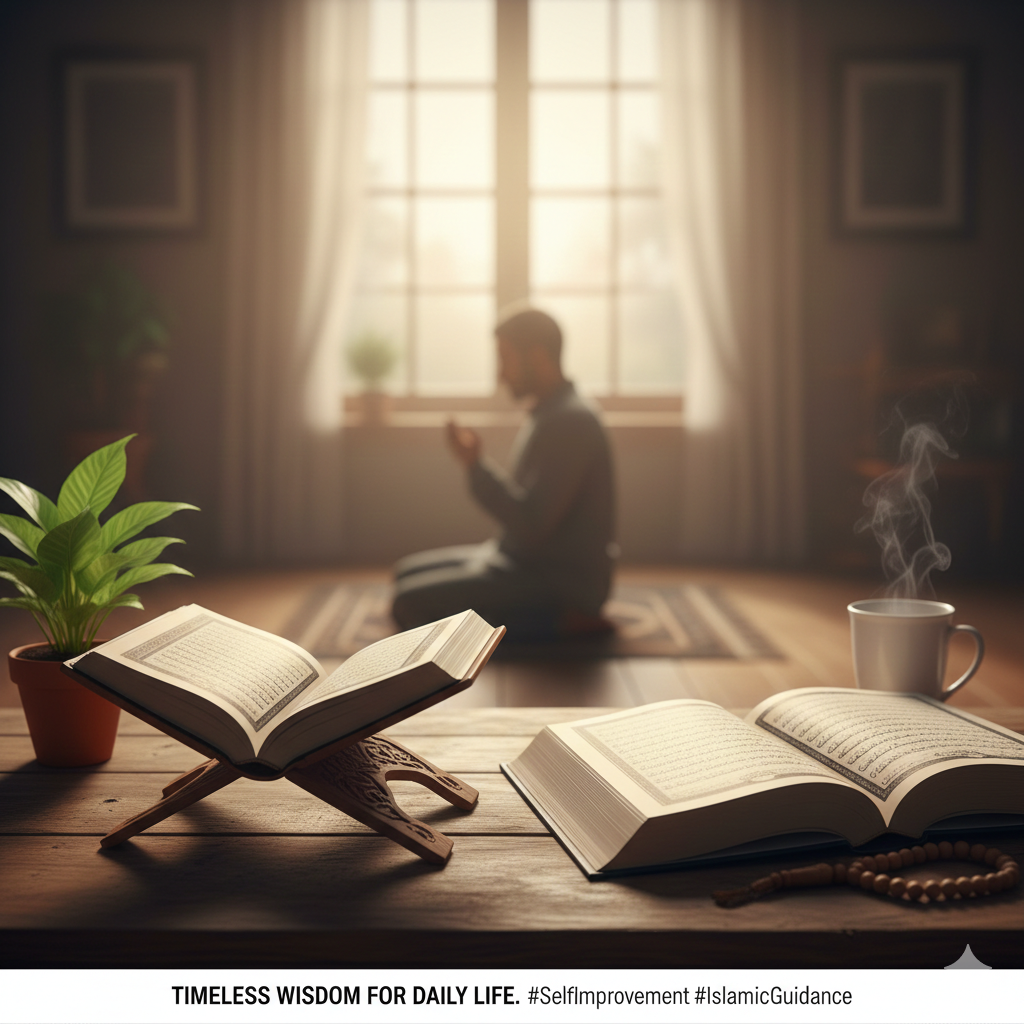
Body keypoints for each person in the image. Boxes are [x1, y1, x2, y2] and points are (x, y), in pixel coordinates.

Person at [391, 307, 616, 640]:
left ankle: (559, 621)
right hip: (520, 558)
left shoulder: (571, 422)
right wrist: (474, 463)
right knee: (404, 574)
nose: (500, 374)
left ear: (538, 357)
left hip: (561, 579)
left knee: (408, 604)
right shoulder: (550, 412)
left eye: (505, 358)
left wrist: (475, 466)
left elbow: (531, 526)